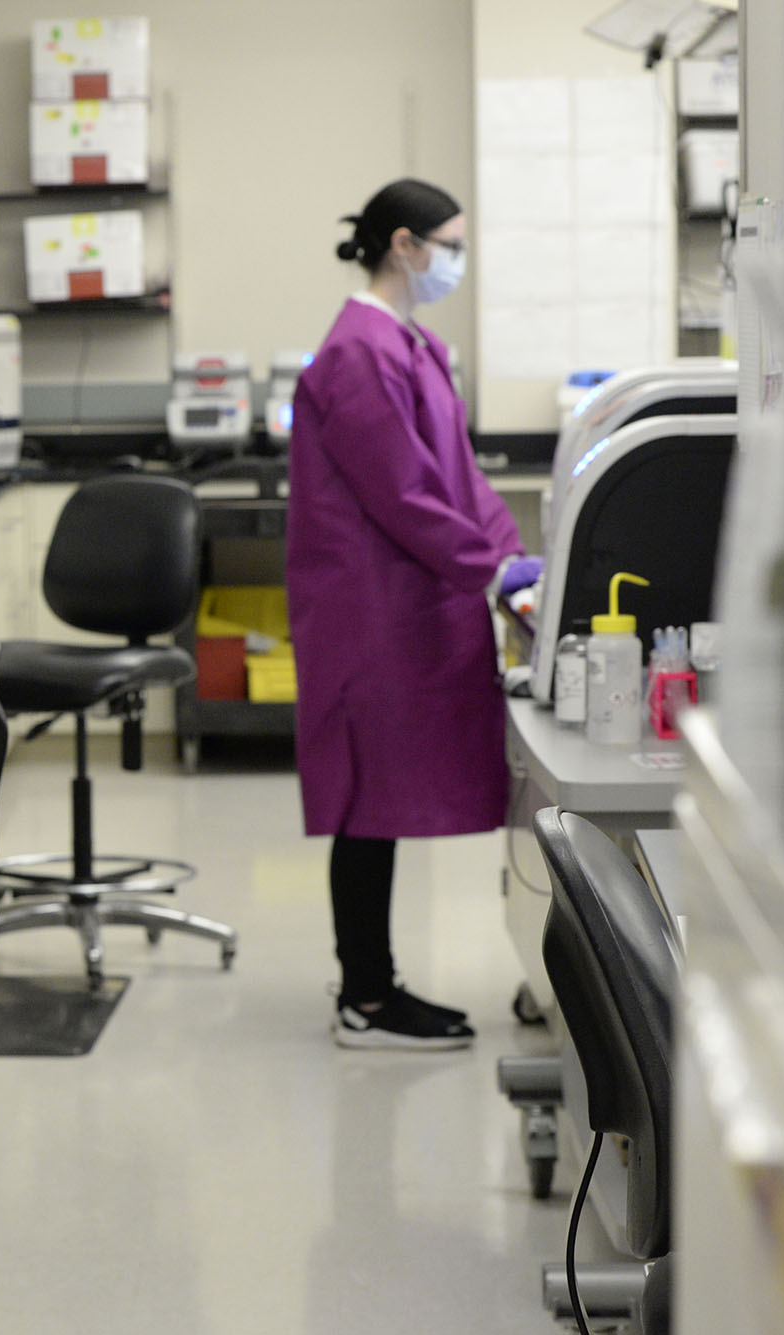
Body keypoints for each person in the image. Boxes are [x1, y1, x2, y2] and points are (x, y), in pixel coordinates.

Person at [287, 179, 540, 1051]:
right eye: (452, 243)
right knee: (367, 797)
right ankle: (365, 994)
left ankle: (376, 981)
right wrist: (489, 567)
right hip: (369, 611)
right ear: (405, 244)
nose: (457, 261)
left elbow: (459, 474)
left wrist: (517, 564)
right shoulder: (359, 351)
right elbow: (403, 491)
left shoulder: (410, 343)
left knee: (386, 795)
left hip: (411, 602)